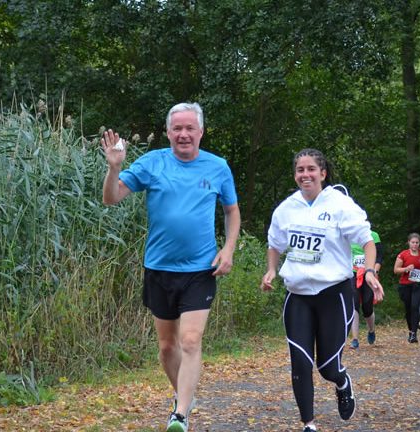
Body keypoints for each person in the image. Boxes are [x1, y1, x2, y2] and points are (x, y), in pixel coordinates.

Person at [101, 102, 241, 432]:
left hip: (201, 269)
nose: (184, 134)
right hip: (159, 268)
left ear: (201, 131)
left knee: (190, 341)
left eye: (190, 128)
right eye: (177, 128)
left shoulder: (218, 167)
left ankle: (179, 415)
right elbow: (111, 198)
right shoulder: (153, 163)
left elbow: (232, 211)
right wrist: (114, 168)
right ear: (168, 132)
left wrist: (228, 249)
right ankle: (185, 396)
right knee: (167, 347)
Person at [262, 149, 384, 432]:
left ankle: (342, 381)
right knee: (300, 362)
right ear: (295, 174)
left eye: (311, 169)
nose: (305, 175)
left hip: (333, 294)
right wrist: (271, 270)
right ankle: (309, 424)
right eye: (300, 170)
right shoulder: (286, 209)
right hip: (297, 296)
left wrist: (368, 271)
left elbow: (367, 242)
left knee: (327, 366)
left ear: (323, 173)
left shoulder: (340, 204)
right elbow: (275, 244)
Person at [332, 184, 384, 349]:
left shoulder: (373, 236)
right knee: (353, 304)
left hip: (368, 273)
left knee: (367, 306)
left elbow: (379, 256)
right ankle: (354, 339)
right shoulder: (345, 234)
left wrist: (373, 271)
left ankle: (371, 329)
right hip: (352, 274)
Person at [393, 233, 420, 343]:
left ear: (419, 243)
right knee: (408, 309)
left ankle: (414, 333)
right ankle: (410, 330)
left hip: (419, 284)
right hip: (406, 285)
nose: (415, 244)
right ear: (408, 242)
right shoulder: (403, 255)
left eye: (417, 242)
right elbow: (396, 270)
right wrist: (406, 269)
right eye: (413, 242)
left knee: (415, 306)